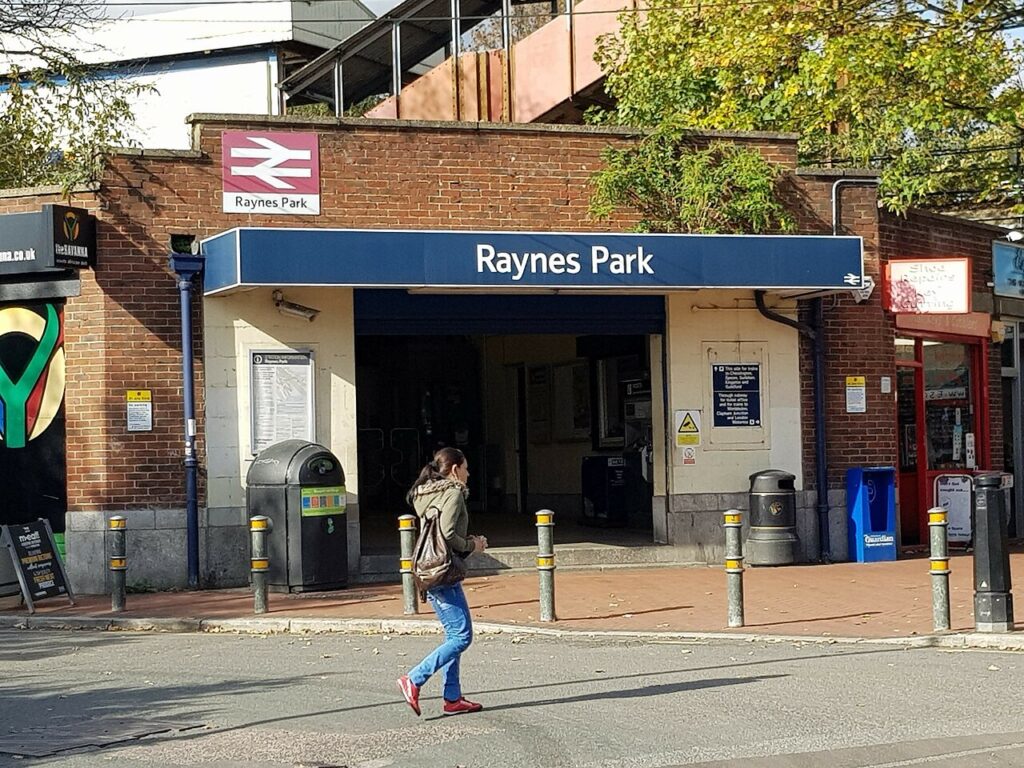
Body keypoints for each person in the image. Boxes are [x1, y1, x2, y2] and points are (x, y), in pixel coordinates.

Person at [398, 447, 488, 717]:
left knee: (453, 635)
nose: (469, 473)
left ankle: (452, 697)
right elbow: (447, 534)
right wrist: (473, 545)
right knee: (462, 636)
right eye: (466, 468)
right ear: (455, 469)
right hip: (443, 569)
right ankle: (414, 679)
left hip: (429, 567)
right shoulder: (453, 492)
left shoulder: (424, 493)